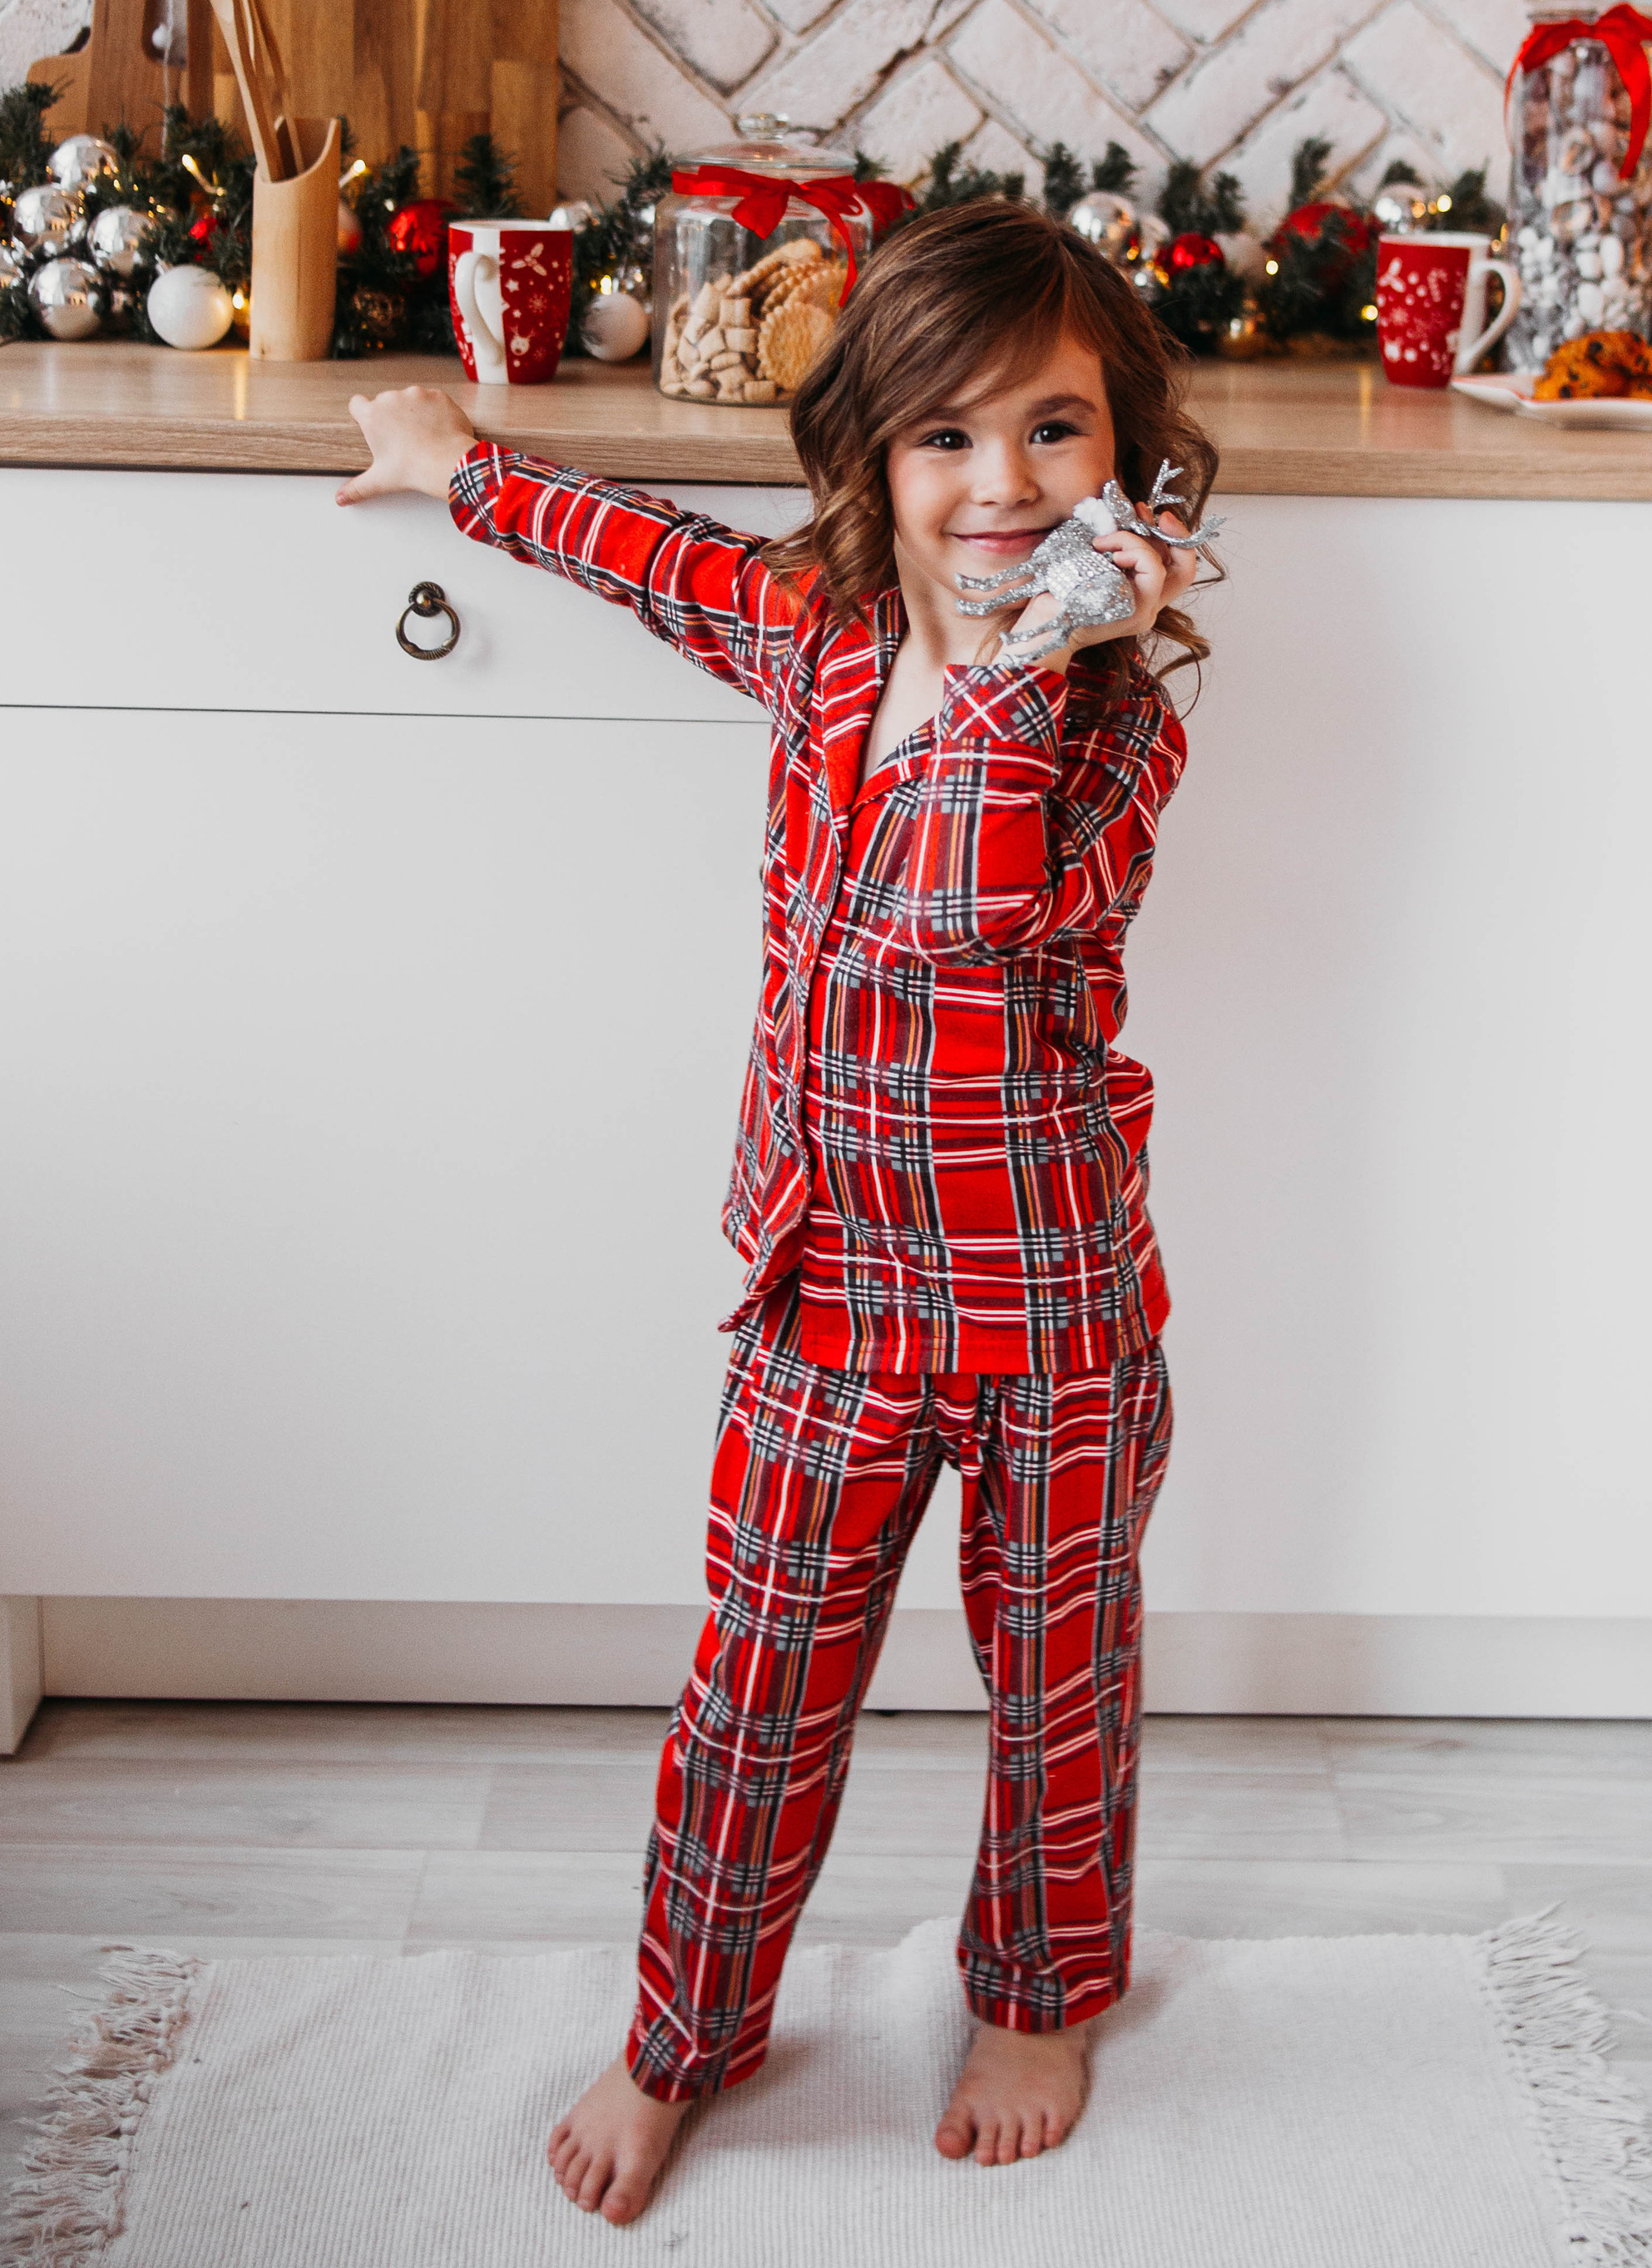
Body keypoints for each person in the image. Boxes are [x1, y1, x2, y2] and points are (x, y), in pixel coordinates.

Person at [337, 197, 1217, 2226]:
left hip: (1049, 1318)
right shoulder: (817, 638)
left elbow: (955, 911)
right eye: (946, 438)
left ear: (1129, 464)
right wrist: (459, 472)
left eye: (1056, 435)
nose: (1001, 485)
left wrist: (1025, 651)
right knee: (756, 1683)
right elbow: (649, 560)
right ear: (867, 461)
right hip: (821, 1294)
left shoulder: (1107, 735)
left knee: (1057, 1679)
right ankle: (687, 2027)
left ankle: (1036, 1994)